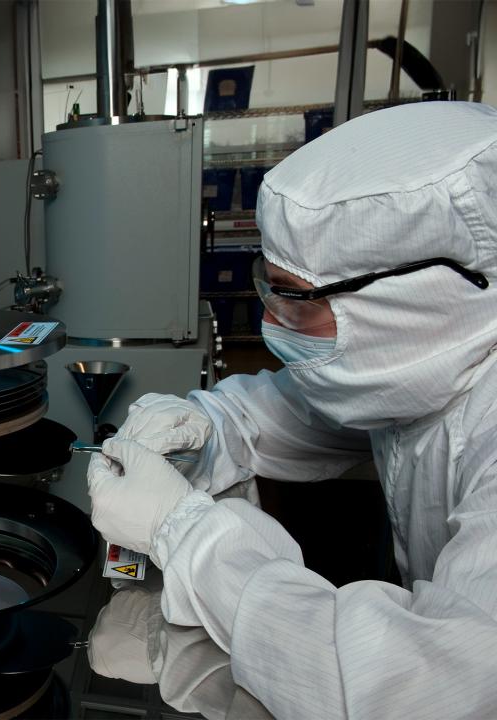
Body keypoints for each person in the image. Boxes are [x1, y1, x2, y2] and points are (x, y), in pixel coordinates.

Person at [85, 101, 497, 718]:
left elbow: (408, 686)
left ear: (416, 297)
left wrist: (184, 532)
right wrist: (205, 426)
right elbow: (287, 413)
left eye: (298, 299)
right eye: (269, 288)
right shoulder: (426, 360)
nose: (273, 322)